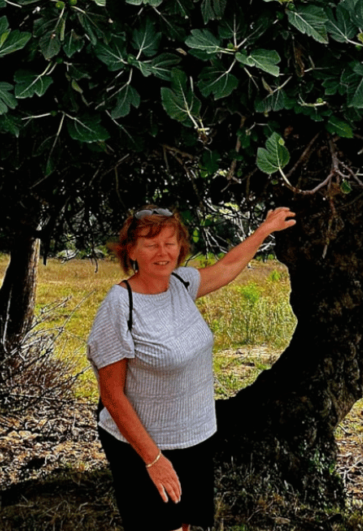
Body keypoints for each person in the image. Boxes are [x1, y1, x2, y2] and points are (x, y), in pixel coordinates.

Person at [86, 205, 296, 531]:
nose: (163, 252)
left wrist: (264, 230)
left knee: (184, 524)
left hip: (193, 437)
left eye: (170, 243)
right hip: (144, 445)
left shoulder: (182, 285)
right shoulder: (120, 305)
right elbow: (112, 397)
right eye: (151, 243)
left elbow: (227, 267)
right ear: (130, 250)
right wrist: (154, 461)